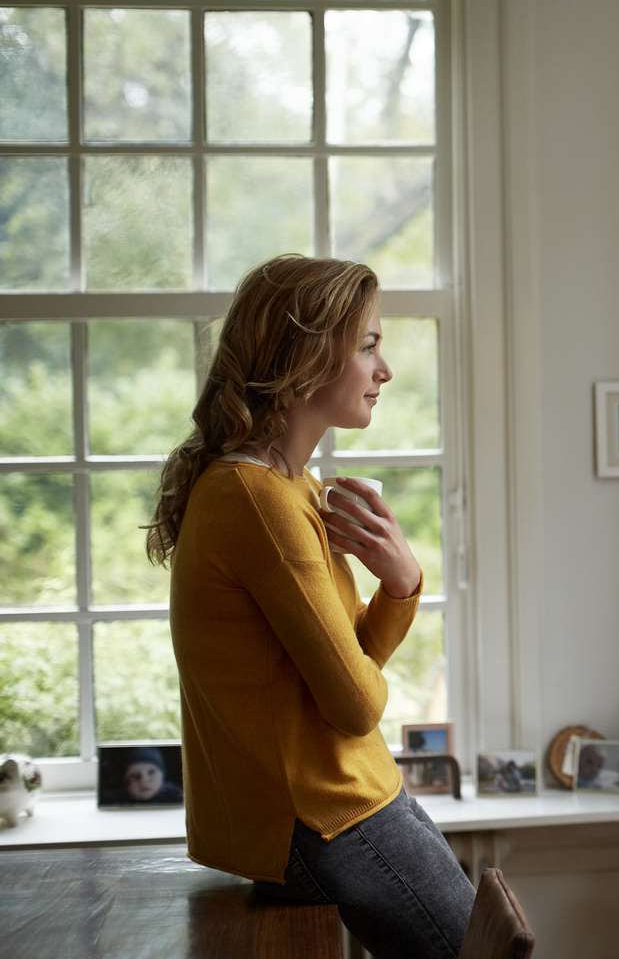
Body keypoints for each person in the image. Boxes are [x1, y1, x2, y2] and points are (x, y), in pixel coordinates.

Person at [146, 255, 475, 958]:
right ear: (303, 358)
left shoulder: (288, 488)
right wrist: (397, 593)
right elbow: (355, 703)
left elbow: (342, 669)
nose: (384, 370)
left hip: (344, 801)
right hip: (323, 816)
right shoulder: (258, 499)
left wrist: (398, 583)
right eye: (368, 345)